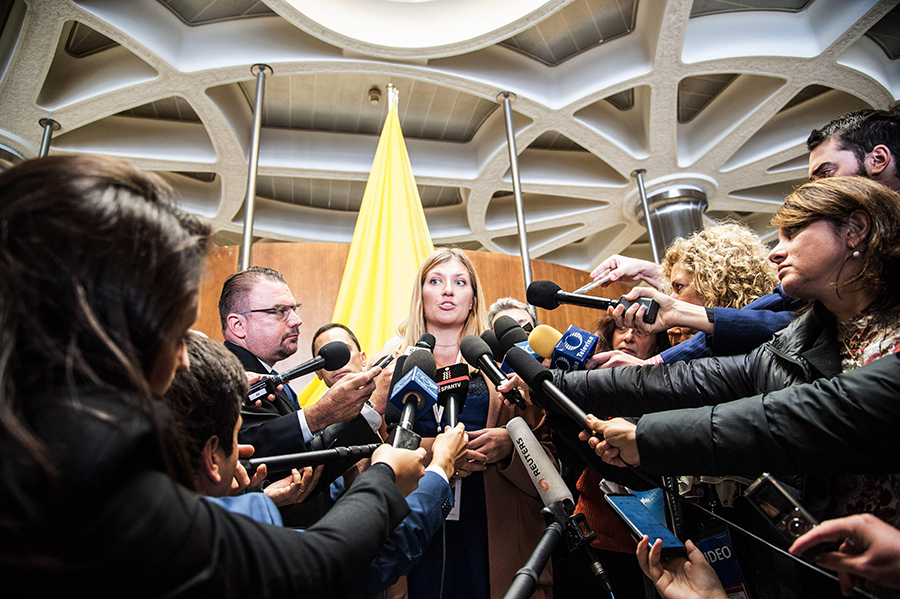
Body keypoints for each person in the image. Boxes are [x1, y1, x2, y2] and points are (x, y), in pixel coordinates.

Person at [0, 154, 426, 596]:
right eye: (175, 327)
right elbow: (311, 565)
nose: (184, 360)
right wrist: (384, 477)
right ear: (112, 320)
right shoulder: (96, 467)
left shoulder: (45, 429)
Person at [390, 248, 556, 599]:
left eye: (459, 282)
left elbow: (551, 460)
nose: (448, 290)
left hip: (492, 527)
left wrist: (510, 444)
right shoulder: (393, 367)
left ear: (472, 298)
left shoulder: (506, 368)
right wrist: (435, 452)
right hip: (413, 524)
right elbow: (369, 456)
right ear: (421, 296)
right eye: (436, 281)